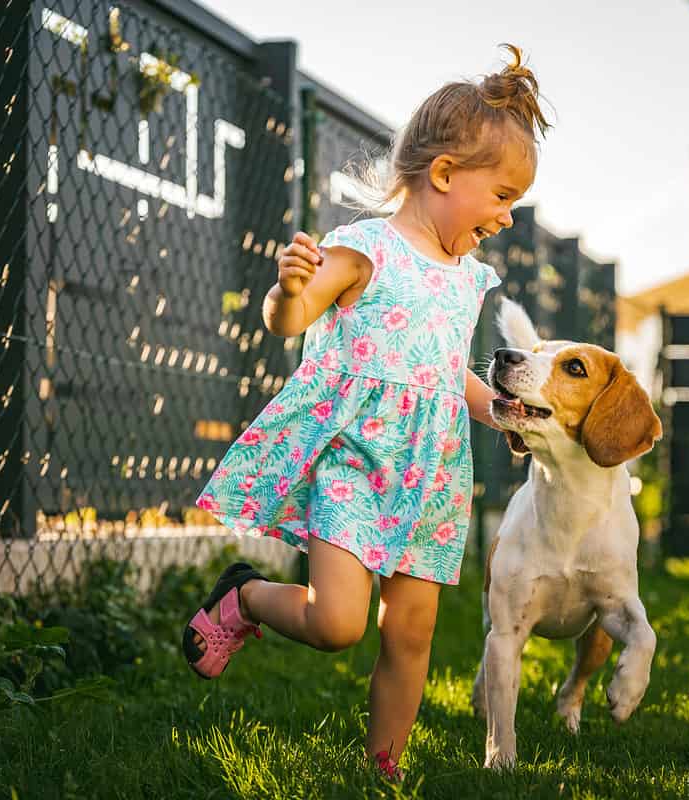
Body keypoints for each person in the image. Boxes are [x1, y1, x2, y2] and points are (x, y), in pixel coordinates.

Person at [182, 43, 551, 778]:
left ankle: (383, 769)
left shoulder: (467, 280)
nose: (508, 217)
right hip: (357, 461)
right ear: (445, 174)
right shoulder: (364, 249)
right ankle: (246, 598)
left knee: (410, 633)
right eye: (503, 195)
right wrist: (289, 290)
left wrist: (507, 412)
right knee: (339, 623)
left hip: (431, 476)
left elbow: (450, 378)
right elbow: (289, 322)